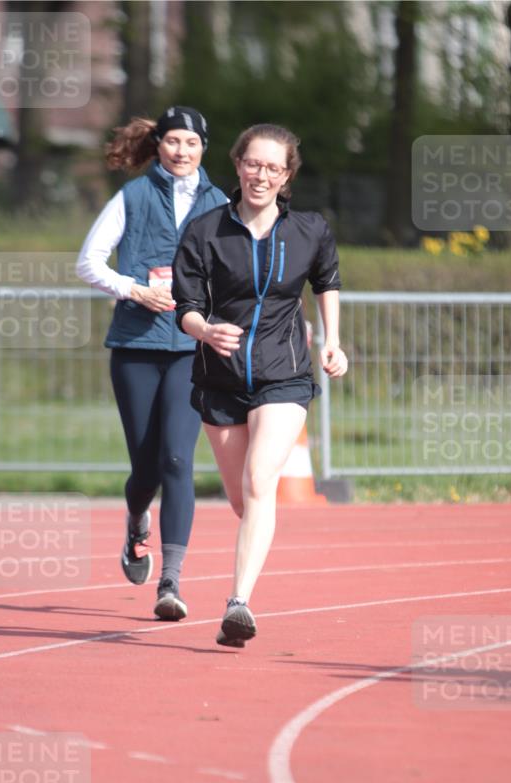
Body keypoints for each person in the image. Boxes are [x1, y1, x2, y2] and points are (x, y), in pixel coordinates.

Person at [172, 123, 348, 647]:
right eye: (253, 164)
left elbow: (327, 282)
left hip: (285, 374)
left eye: (273, 167)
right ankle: (252, 552)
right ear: (238, 165)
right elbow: (186, 305)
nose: (261, 175)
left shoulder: (309, 230)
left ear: (287, 175)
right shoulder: (206, 231)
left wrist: (333, 341)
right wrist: (203, 328)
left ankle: (238, 603)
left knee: (258, 480)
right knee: (242, 498)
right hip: (220, 380)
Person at [76, 107, 228, 620]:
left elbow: (237, 271)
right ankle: (136, 519)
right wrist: (134, 289)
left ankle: (171, 581)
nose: (182, 152)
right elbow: (88, 262)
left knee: (177, 460)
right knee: (145, 468)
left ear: (204, 147)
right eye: (173, 142)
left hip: (192, 349)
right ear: (158, 144)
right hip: (136, 348)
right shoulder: (133, 196)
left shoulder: (221, 203)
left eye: (191, 142)